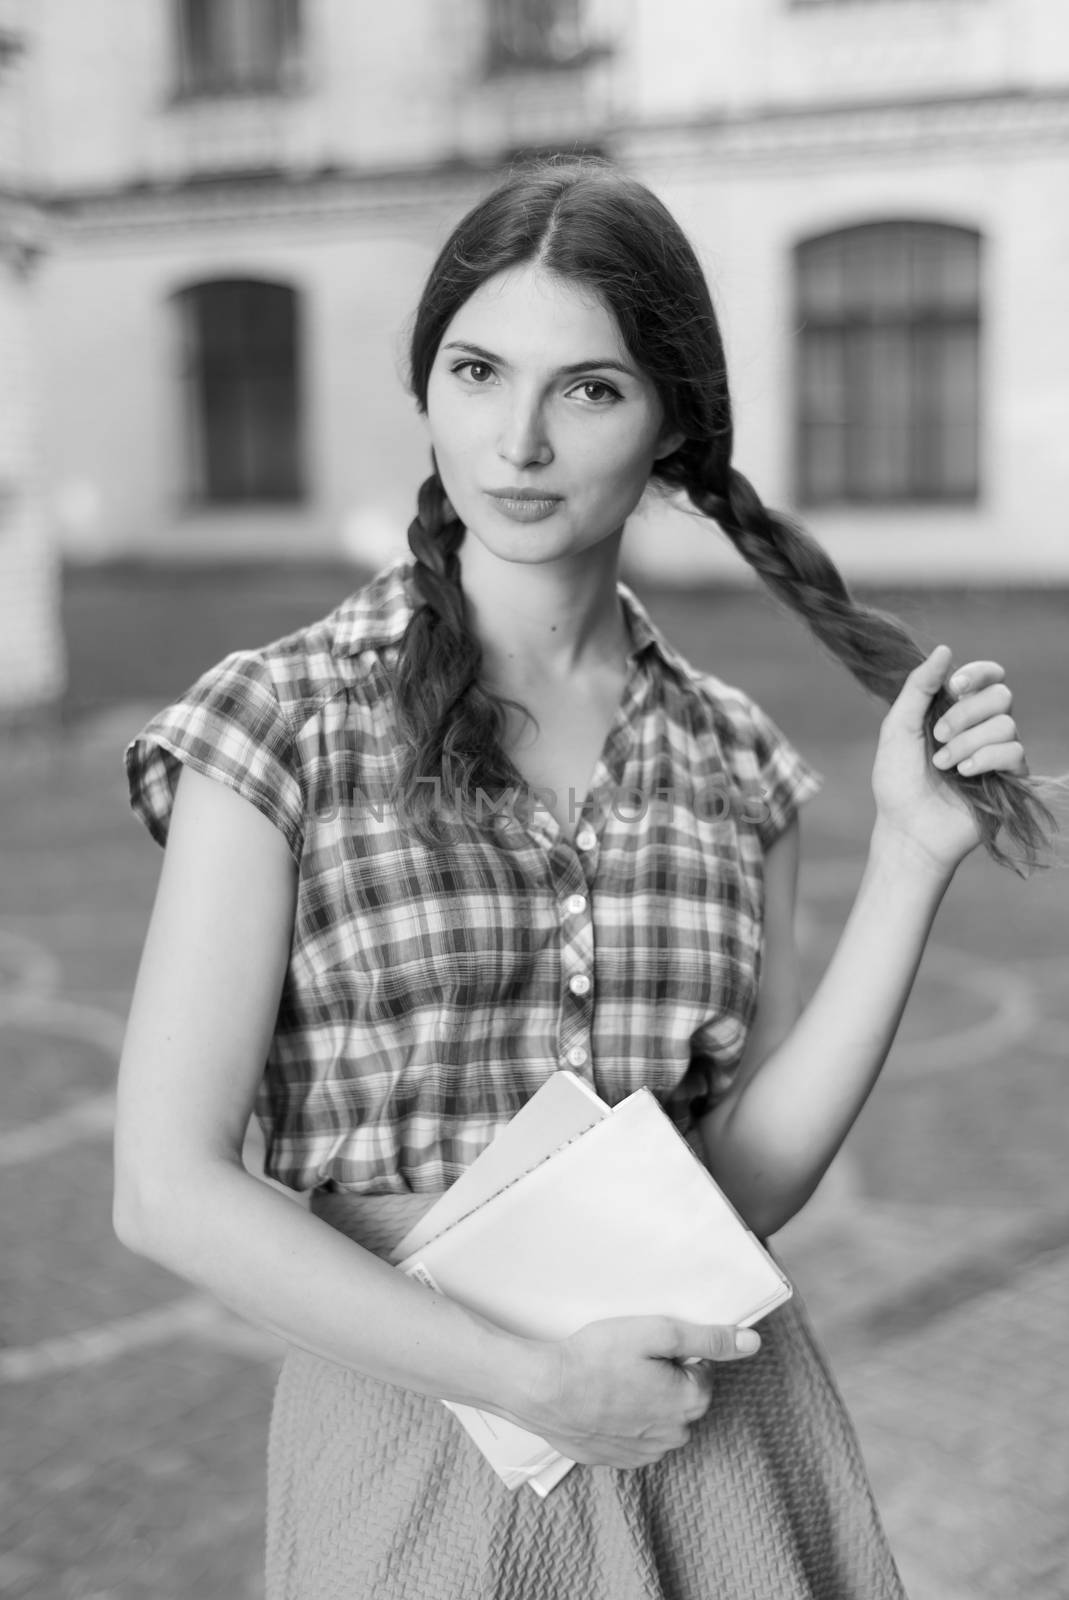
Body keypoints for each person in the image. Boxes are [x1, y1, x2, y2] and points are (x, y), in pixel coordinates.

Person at [114, 157, 1058, 1600]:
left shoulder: (732, 759)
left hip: (707, 1426)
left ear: (674, 423)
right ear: (424, 384)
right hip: (409, 1444)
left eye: (591, 389)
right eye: (478, 371)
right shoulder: (277, 722)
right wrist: (531, 1380)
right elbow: (165, 1189)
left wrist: (912, 861)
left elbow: (735, 1181)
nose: (520, 442)